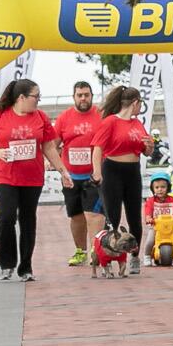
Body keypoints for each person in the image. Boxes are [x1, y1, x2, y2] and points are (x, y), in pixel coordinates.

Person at [0, 78, 66, 282]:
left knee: (28, 219)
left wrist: (63, 171)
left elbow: (49, 147)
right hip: (5, 176)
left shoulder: (41, 117)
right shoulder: (0, 114)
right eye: (36, 96)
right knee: (7, 217)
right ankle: (7, 264)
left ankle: (25, 267)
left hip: (32, 177)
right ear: (21, 98)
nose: (38, 100)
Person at [90, 86, 150, 278]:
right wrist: (97, 172)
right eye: (140, 103)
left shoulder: (137, 123)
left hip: (132, 171)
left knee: (134, 216)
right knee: (113, 216)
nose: (140, 107)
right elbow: (98, 148)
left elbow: (146, 150)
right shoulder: (110, 122)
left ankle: (134, 257)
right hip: (113, 169)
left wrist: (149, 146)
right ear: (135, 103)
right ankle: (110, 255)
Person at [55, 80, 102, 266]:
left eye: (86, 95)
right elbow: (53, 145)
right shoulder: (64, 118)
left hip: (94, 176)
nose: (83, 98)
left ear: (92, 96)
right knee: (76, 216)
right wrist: (59, 169)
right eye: (79, 95)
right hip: (72, 177)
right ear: (74, 97)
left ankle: (95, 251)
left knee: (93, 214)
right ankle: (80, 251)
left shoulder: (101, 115)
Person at [141, 173, 173, 264]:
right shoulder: (151, 201)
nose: (160, 190)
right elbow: (148, 212)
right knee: (150, 240)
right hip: (156, 228)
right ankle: (147, 256)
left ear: (168, 188)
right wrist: (148, 218)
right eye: (157, 187)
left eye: (163, 187)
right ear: (153, 188)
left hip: (170, 228)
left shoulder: (172, 200)